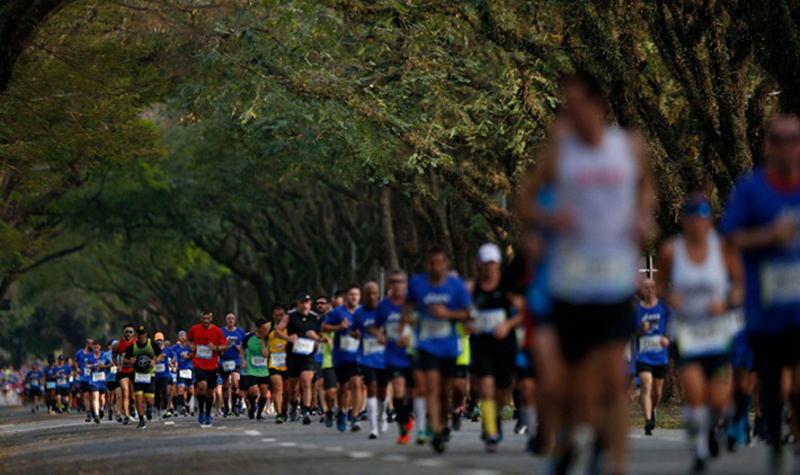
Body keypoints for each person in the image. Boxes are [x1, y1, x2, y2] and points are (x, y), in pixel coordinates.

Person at [519, 71, 655, 473]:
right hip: (570, 282)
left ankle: (613, 465)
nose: (569, 111)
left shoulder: (629, 147)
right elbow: (524, 202)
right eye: (565, 104)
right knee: (571, 384)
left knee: (615, 376)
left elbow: (647, 188)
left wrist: (642, 215)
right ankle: (570, 441)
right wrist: (547, 216)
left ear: (598, 104)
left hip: (613, 279)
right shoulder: (560, 154)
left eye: (575, 102)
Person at [720, 115, 800, 471]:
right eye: (778, 139)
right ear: (769, 144)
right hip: (764, 308)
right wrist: (770, 236)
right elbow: (730, 237)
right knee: (771, 388)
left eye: (793, 138)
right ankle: (772, 422)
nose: (786, 145)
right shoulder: (751, 189)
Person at [656, 192, 744, 473]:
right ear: (682, 220)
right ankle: (700, 449)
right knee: (695, 393)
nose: (696, 222)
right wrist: (670, 296)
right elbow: (657, 286)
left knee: (718, 401)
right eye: (691, 216)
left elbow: (741, 286)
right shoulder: (671, 250)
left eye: (702, 216)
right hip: (687, 335)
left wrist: (727, 302)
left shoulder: (724, 249)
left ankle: (712, 428)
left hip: (717, 334)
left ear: (711, 221)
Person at [400, 247, 472, 453]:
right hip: (426, 344)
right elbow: (408, 306)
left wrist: (447, 313)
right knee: (431, 386)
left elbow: (468, 314)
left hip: (449, 345)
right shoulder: (417, 283)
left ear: (446, 264)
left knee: (445, 390)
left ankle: (442, 420)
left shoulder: (455, 285)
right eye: (432, 262)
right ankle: (437, 430)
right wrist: (405, 327)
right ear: (426, 264)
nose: (436, 267)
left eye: (440, 262)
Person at [467, 243, 524, 452]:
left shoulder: (507, 287)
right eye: (486, 264)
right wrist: (467, 323)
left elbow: (523, 311)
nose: (490, 268)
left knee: (500, 392)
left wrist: (507, 324)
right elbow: (463, 311)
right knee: (486, 387)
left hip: (505, 345)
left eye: (493, 263)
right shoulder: (472, 287)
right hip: (482, 344)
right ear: (480, 265)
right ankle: (491, 433)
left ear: (498, 265)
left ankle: (495, 417)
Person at [373, 270, 415, 444]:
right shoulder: (384, 306)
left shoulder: (412, 303)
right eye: (393, 282)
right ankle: (403, 428)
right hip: (393, 355)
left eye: (399, 281)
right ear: (389, 285)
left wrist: (410, 336)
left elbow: (422, 323)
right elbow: (375, 326)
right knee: (398, 388)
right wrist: (379, 336)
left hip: (413, 353)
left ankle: (408, 415)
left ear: (405, 284)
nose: (396, 285)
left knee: (414, 391)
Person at [322, 284, 364, 432]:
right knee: (343, 388)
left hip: (357, 356)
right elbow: (324, 328)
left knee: (357, 383)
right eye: (351, 294)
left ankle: (354, 417)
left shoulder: (362, 311)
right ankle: (341, 412)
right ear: (346, 296)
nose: (354, 297)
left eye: (357, 294)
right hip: (340, 357)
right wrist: (339, 327)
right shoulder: (338, 312)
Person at [634, 278, 672, 436]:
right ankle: (648, 420)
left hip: (660, 355)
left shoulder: (664, 308)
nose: (649, 290)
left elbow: (674, 327)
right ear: (641, 290)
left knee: (657, 391)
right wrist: (641, 331)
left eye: (652, 287)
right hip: (643, 355)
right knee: (646, 385)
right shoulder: (636, 310)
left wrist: (667, 339)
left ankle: (653, 409)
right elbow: (632, 333)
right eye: (646, 287)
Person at [277, 293, 322, 425]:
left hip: (308, 355)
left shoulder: (315, 317)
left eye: (306, 302)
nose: (304, 305)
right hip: (293, 356)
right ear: (297, 303)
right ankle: (293, 404)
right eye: (302, 302)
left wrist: (318, 341)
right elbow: (278, 330)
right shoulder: (290, 316)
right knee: (293, 388)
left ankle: (306, 411)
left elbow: (321, 332)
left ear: (310, 303)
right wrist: (288, 338)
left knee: (307, 382)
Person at [355, 282, 389, 439]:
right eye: (368, 293)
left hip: (384, 357)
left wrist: (384, 334)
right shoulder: (359, 313)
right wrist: (354, 333)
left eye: (374, 293)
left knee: (382, 392)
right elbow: (353, 330)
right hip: (367, 357)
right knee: (372, 387)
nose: (371, 297)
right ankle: (373, 426)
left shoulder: (384, 310)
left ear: (379, 293)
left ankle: (382, 416)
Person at [187, 310, 228, 426]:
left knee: (210, 391)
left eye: (207, 318)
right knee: (201, 385)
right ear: (201, 319)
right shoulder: (194, 329)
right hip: (198, 363)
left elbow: (225, 346)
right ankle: (201, 410)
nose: (205, 320)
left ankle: (208, 413)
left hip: (212, 365)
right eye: (203, 318)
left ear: (211, 319)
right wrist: (191, 346)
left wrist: (215, 348)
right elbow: (188, 340)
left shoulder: (217, 331)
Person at [123, 325, 164, 429]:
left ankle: (149, 408)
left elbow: (161, 355)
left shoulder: (152, 344)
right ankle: (141, 420)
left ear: (146, 334)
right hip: (137, 375)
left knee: (149, 400)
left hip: (149, 374)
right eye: (139, 334)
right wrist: (130, 361)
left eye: (143, 334)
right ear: (137, 335)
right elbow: (124, 360)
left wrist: (155, 361)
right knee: (138, 398)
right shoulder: (133, 346)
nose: (141, 336)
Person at [243, 318, 271, 421]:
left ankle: (259, 414)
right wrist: (243, 361)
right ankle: (252, 407)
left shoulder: (269, 338)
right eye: (263, 328)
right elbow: (242, 347)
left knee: (264, 392)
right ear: (258, 328)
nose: (265, 330)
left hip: (264, 370)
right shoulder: (250, 338)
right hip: (252, 369)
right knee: (253, 391)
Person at [314, 296, 336, 426]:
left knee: (334, 386)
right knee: (321, 383)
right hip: (320, 356)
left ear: (328, 305)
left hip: (334, 356)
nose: (320, 305)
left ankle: (336, 408)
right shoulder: (314, 319)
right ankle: (325, 411)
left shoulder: (335, 317)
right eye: (318, 303)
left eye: (322, 303)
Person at [220, 313, 246, 417]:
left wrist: (240, 348)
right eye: (229, 319)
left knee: (235, 383)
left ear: (235, 320)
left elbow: (245, 345)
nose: (230, 320)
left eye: (232, 319)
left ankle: (235, 406)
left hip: (236, 360)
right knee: (225, 384)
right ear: (226, 320)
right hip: (224, 360)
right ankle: (226, 406)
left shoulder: (240, 332)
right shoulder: (221, 331)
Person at [268, 304, 289, 423]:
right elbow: (262, 337)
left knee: (288, 392)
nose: (279, 317)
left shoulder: (289, 326)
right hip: (274, 362)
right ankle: (279, 414)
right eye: (276, 315)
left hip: (287, 362)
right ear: (273, 315)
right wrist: (264, 348)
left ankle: (285, 408)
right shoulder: (269, 326)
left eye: (281, 315)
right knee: (277, 388)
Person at [114, 324, 137, 425]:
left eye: (130, 332)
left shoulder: (136, 343)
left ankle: (131, 406)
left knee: (133, 396)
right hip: (123, 371)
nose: (128, 334)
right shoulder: (118, 344)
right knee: (125, 392)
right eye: (126, 331)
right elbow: (114, 356)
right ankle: (127, 416)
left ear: (133, 333)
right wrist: (117, 365)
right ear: (123, 332)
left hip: (133, 371)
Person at [87, 340, 112, 424]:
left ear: (100, 347)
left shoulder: (104, 355)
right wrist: (90, 366)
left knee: (102, 398)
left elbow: (109, 365)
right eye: (94, 346)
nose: (96, 348)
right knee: (95, 396)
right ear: (92, 347)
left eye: (97, 346)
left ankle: (101, 408)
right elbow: (87, 365)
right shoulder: (90, 356)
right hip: (93, 380)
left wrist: (102, 365)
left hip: (103, 379)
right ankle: (96, 415)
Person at [173, 330, 194, 416]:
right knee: (180, 388)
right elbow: (173, 355)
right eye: (181, 336)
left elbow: (194, 353)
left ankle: (187, 402)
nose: (183, 337)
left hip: (189, 369)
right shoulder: (175, 347)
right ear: (178, 337)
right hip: (180, 369)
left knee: (190, 390)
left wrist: (188, 356)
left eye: (184, 336)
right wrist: (173, 363)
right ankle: (183, 406)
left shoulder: (189, 346)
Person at [153, 333, 173, 420]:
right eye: (157, 341)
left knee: (164, 389)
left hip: (165, 374)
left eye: (160, 340)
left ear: (163, 341)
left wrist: (172, 362)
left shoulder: (167, 349)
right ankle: (158, 409)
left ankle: (164, 409)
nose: (159, 342)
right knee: (157, 392)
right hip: (155, 374)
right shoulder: (152, 350)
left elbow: (173, 356)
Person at [74, 339, 94, 422]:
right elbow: (75, 361)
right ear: (87, 344)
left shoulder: (94, 353)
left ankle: (95, 409)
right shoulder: (79, 353)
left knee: (93, 396)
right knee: (85, 395)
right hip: (84, 377)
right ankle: (88, 412)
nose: (93, 346)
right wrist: (77, 368)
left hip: (94, 378)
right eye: (91, 344)